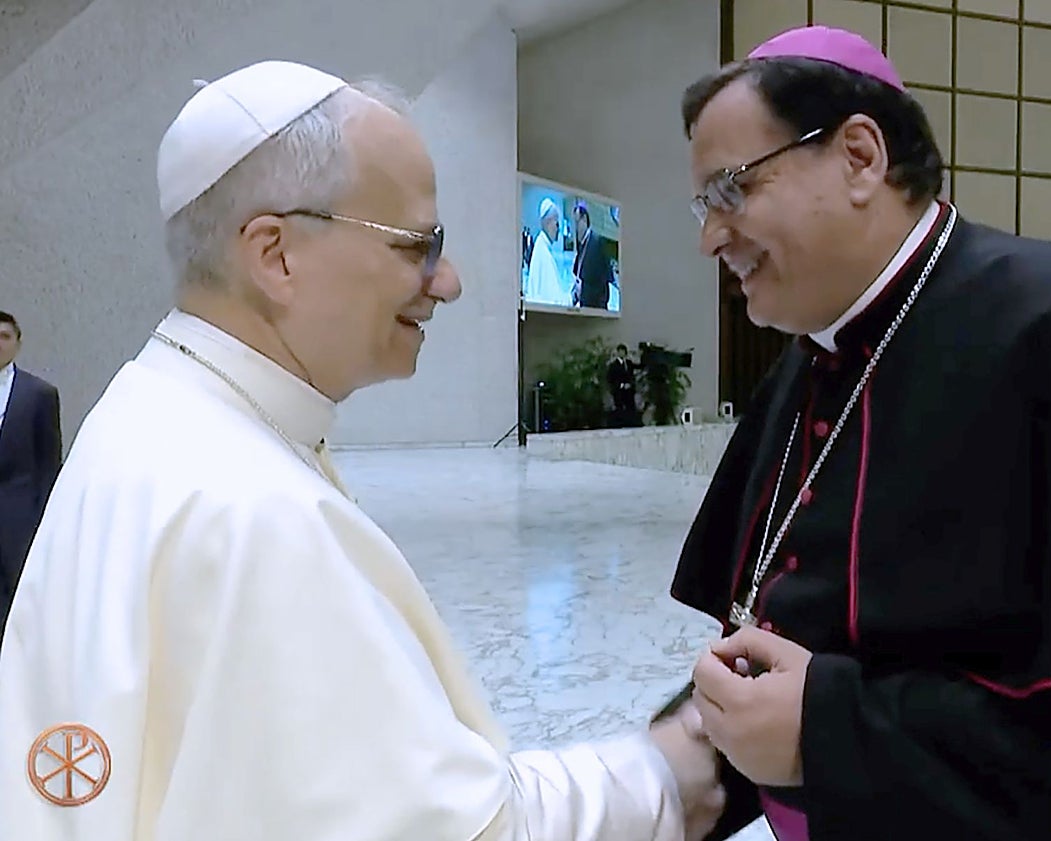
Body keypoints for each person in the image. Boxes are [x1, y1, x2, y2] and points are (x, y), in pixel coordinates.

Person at [0, 61, 723, 841]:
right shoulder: (251, 512)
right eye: (419, 243)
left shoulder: (151, 409)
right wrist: (660, 774)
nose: (448, 282)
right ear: (275, 255)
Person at [666, 25, 1051, 841]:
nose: (710, 236)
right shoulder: (806, 368)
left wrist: (831, 730)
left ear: (859, 156)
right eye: (704, 205)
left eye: (731, 190)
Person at [0, 311, 61, 639]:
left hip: (18, 524)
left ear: (18, 344)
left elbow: (49, 465)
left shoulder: (39, 395)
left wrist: (44, 524)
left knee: (17, 613)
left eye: (4, 337)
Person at [526, 198, 571, 307]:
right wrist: (572, 296)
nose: (559, 229)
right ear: (547, 222)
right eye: (557, 224)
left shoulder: (542, 246)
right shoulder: (543, 253)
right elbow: (554, 302)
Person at [573, 202, 613, 310]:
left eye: (577, 223)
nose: (575, 228)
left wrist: (583, 290)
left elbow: (603, 284)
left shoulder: (597, 243)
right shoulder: (582, 243)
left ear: (584, 219)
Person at [606, 343, 638, 427]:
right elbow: (610, 378)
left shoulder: (629, 363)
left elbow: (633, 374)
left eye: (623, 351)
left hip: (629, 389)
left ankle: (631, 423)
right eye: (620, 351)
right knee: (619, 407)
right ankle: (620, 423)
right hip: (619, 390)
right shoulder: (613, 365)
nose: (621, 353)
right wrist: (620, 385)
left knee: (630, 406)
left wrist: (630, 384)